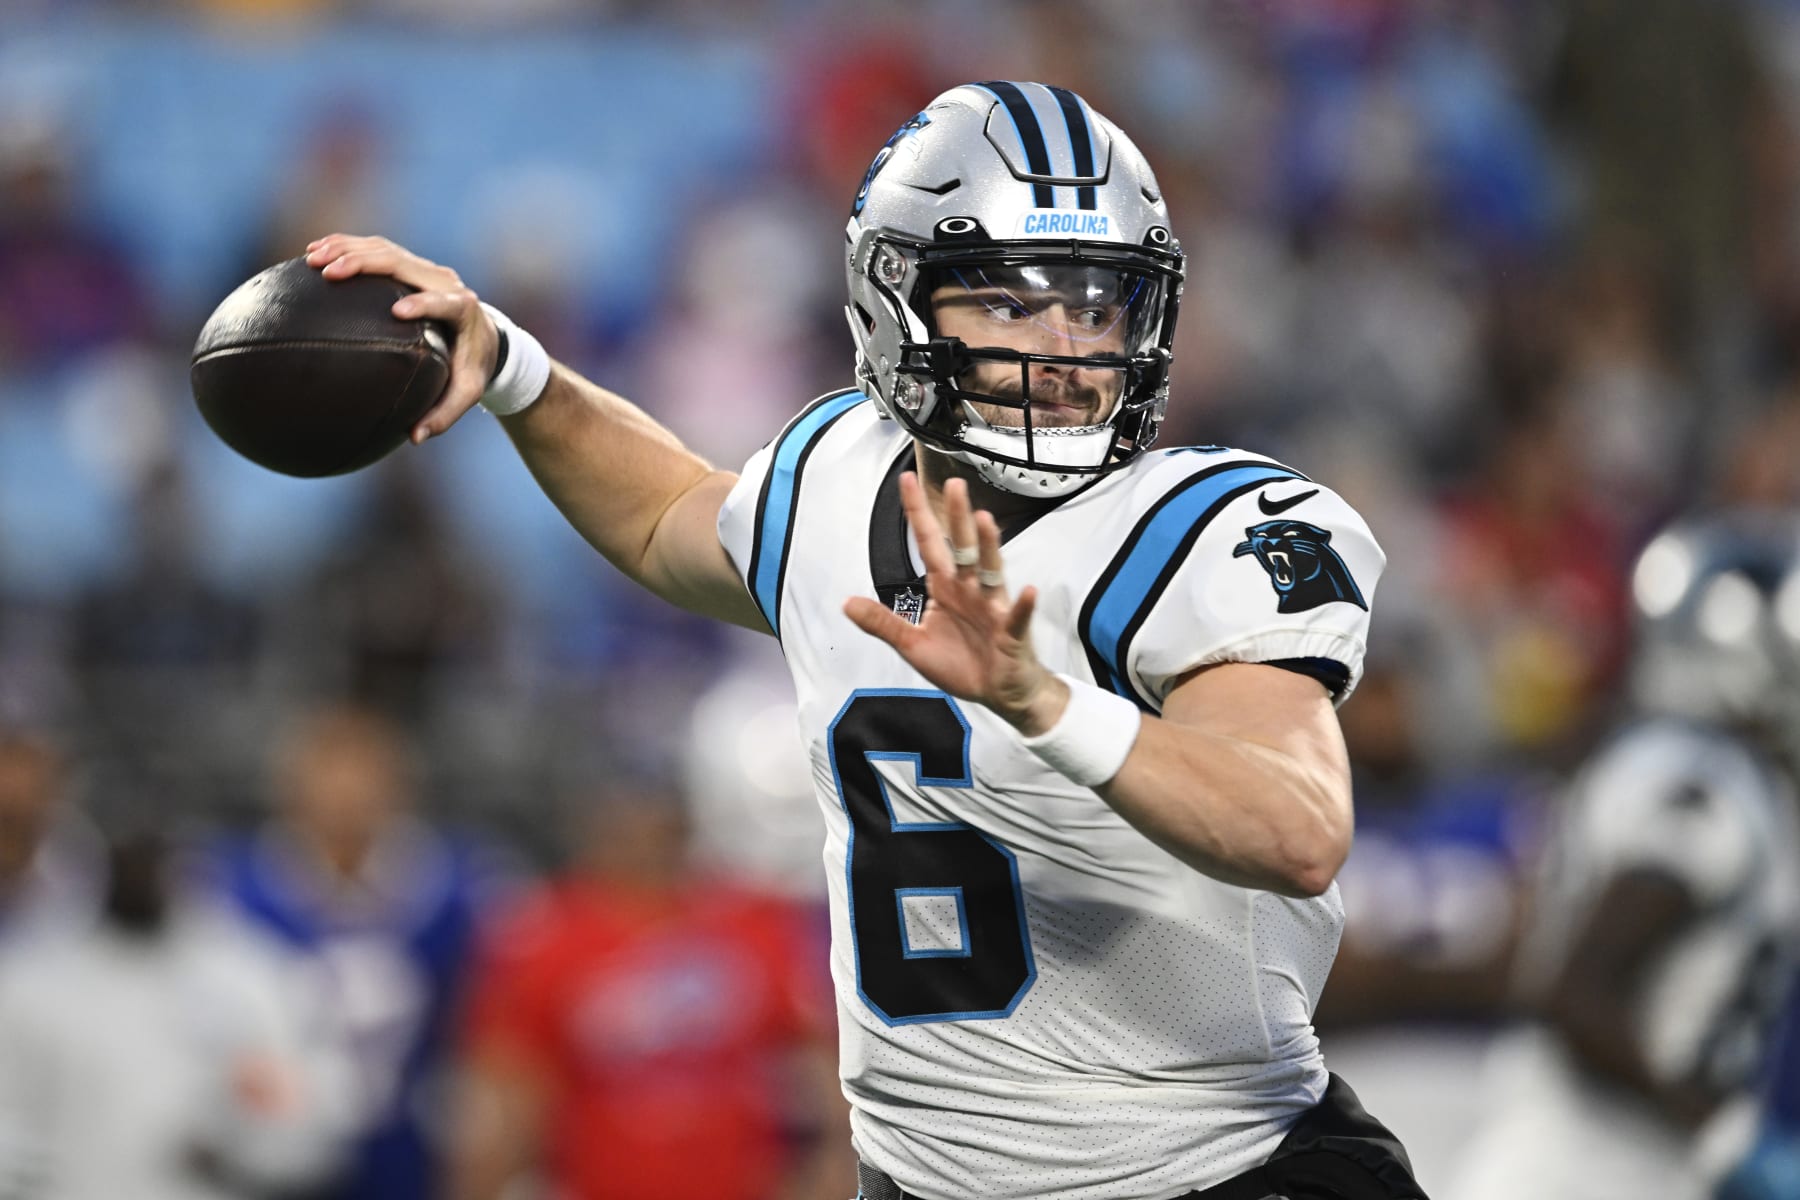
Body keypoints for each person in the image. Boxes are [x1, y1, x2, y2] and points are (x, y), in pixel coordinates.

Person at [304, 80, 1419, 1200]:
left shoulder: (1208, 531)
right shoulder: (838, 477)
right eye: (1014, 302)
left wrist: (1048, 701)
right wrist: (511, 369)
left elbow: (1299, 826)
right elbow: (662, 516)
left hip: (1221, 1174)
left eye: (1097, 305)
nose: (1069, 350)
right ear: (897, 301)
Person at [1448, 511, 1800, 1200]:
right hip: (1587, 1167)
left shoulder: (1688, 769)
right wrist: (1724, 1135)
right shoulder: (1705, 784)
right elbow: (1582, 991)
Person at [449, 781, 852, 1200]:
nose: (641, 838)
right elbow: (508, 1096)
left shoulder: (754, 924)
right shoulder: (544, 938)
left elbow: (829, 1062)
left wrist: (836, 1160)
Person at [203, 703, 514, 1200]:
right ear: (290, 786)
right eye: (330, 773)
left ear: (399, 786)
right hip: (271, 1151)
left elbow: (492, 1033)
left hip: (412, 1143)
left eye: (364, 774)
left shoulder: (457, 888)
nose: (346, 794)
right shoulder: (228, 890)